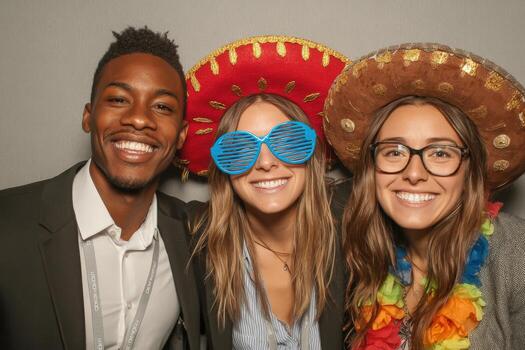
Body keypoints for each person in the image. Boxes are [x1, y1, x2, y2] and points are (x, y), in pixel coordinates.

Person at [0, 27, 200, 350]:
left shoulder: (193, 235)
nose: (138, 119)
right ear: (88, 117)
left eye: (162, 107)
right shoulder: (7, 224)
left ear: (180, 136)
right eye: (119, 99)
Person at [324, 43, 525, 349]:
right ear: (372, 169)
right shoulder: (358, 255)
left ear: (469, 170)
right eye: (394, 151)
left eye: (441, 152)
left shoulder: (516, 254)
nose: (415, 173)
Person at [177, 36, 349, 349]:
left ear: (313, 154)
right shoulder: (197, 238)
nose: (266, 162)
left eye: (288, 141)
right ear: (222, 168)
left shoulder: (350, 223)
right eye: (239, 150)